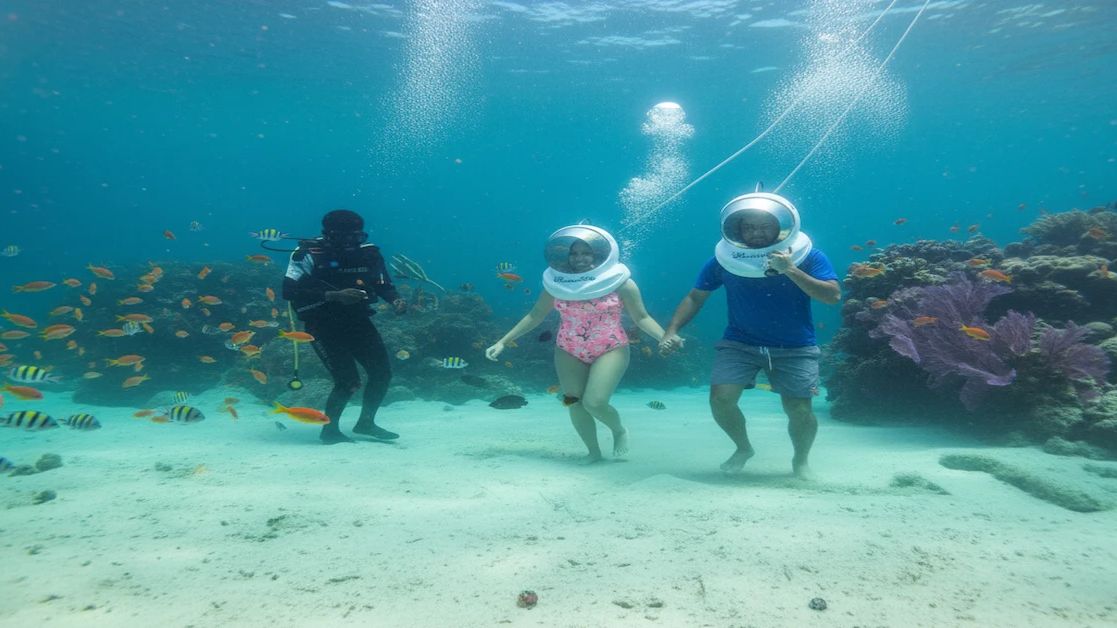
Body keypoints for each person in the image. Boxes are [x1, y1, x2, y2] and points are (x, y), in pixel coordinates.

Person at [659, 191, 840, 478]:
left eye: (764, 226)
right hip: (739, 342)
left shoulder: (808, 255)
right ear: (737, 229)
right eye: (749, 227)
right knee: (721, 399)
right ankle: (743, 447)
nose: (756, 233)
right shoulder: (724, 259)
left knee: (799, 410)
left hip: (795, 345)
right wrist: (671, 331)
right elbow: (695, 297)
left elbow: (832, 296)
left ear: (780, 226)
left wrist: (790, 269)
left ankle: (801, 460)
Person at [486, 225, 667, 462]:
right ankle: (593, 452)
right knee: (574, 402)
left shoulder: (621, 282)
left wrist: (665, 338)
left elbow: (641, 318)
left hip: (610, 346)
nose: (579, 258)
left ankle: (618, 430)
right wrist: (503, 341)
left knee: (595, 402)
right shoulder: (557, 284)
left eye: (586, 253)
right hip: (568, 349)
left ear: (599, 254)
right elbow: (535, 315)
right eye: (574, 253)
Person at [282, 209, 407, 444]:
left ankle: (366, 423)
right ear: (329, 234)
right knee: (347, 380)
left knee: (382, 374)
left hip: (358, 320)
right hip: (321, 325)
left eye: (356, 237)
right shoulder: (307, 254)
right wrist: (333, 295)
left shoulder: (369, 254)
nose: (351, 243)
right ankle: (329, 430)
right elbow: (288, 291)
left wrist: (396, 300)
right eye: (345, 237)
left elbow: (383, 284)